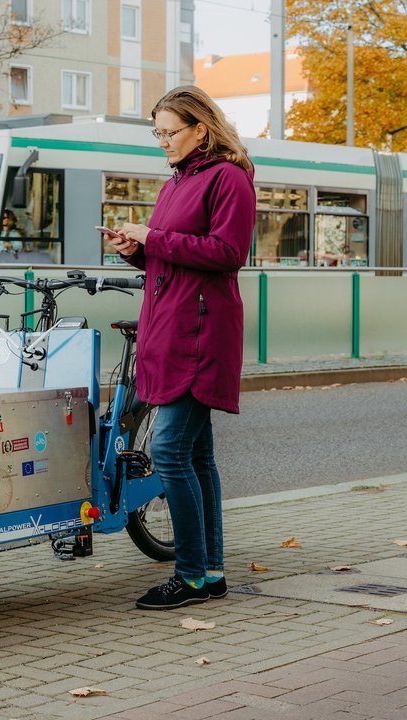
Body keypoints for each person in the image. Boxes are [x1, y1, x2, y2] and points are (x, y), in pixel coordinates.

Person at [103, 85, 256, 610]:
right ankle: (209, 573)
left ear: (201, 130)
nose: (162, 141)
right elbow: (169, 259)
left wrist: (153, 237)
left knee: (169, 450)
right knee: (196, 455)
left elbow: (227, 253)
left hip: (200, 335)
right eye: (158, 133)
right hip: (172, 328)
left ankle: (190, 575)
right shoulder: (177, 182)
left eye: (170, 132)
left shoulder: (229, 178)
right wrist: (135, 251)